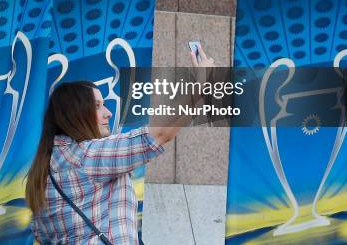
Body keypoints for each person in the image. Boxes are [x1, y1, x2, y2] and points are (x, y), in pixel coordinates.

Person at [26, 47, 215, 244]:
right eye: (97, 106)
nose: (108, 113)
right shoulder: (85, 157)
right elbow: (158, 135)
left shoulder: (43, 173)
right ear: (77, 113)